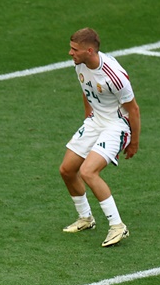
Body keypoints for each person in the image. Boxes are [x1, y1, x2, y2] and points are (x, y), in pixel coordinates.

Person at [59, 27, 140, 248]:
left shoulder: (114, 76)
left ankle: (117, 226)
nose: (70, 53)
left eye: (75, 49)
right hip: (96, 122)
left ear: (90, 50)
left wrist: (134, 142)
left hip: (117, 125)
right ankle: (86, 218)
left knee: (88, 171)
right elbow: (87, 90)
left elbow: (133, 110)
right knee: (67, 170)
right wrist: (88, 119)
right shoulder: (81, 65)